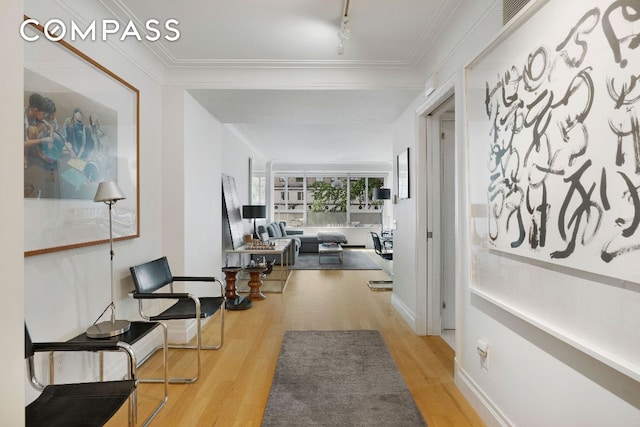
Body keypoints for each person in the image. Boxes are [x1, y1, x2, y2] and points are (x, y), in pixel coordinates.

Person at [24, 93, 61, 198]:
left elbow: (52, 129)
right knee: (33, 129)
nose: (52, 117)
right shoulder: (27, 120)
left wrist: (50, 140)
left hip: (39, 149)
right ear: (36, 110)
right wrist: (42, 140)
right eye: (44, 113)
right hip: (28, 150)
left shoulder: (41, 118)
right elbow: (23, 143)